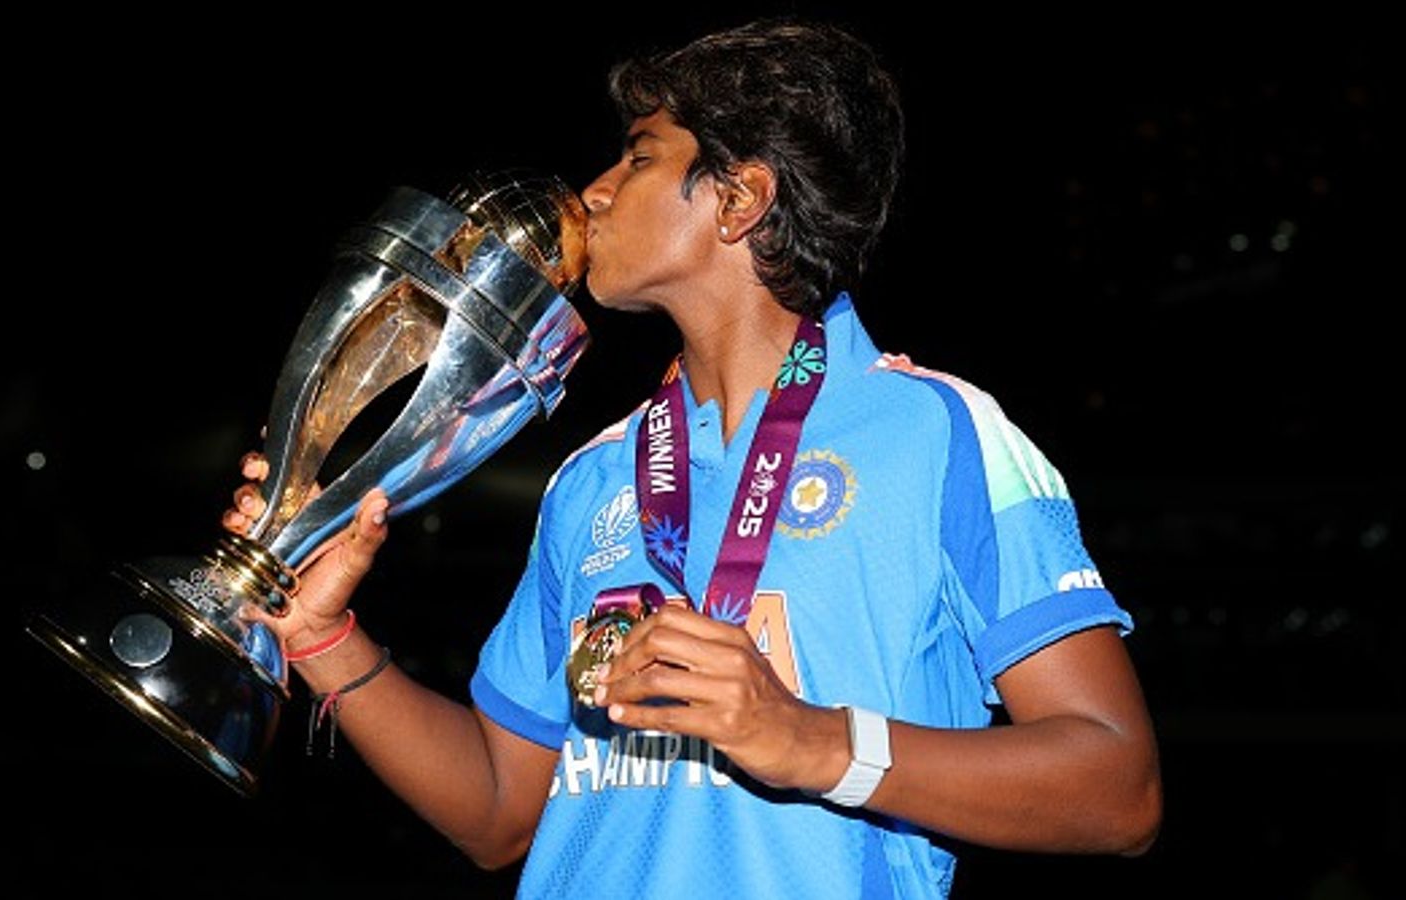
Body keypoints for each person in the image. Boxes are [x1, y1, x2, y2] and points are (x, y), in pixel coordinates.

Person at [223, 16, 1162, 898]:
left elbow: (1117, 790)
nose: (592, 193)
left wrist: (808, 741)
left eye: (637, 158)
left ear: (742, 198)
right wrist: (320, 635)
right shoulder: (592, 477)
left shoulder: (940, 434)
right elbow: (502, 813)